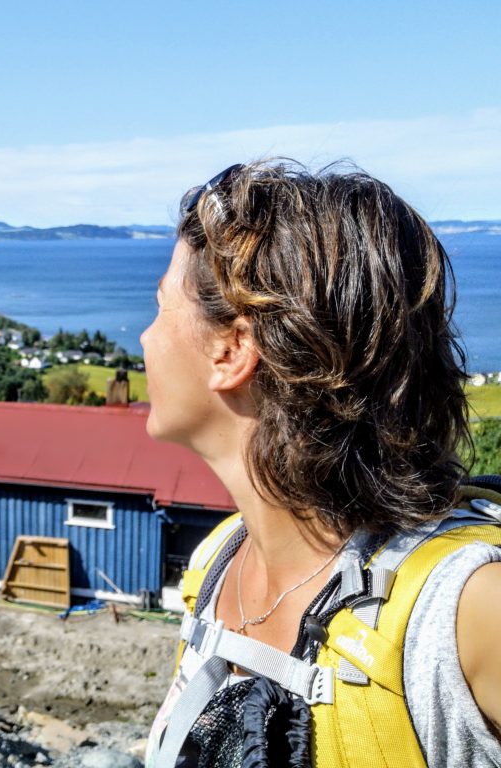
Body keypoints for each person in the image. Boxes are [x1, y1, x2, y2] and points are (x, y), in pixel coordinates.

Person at [139, 160, 501, 768]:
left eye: (158, 309)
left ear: (232, 351)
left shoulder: (467, 607)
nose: (146, 338)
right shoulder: (218, 563)